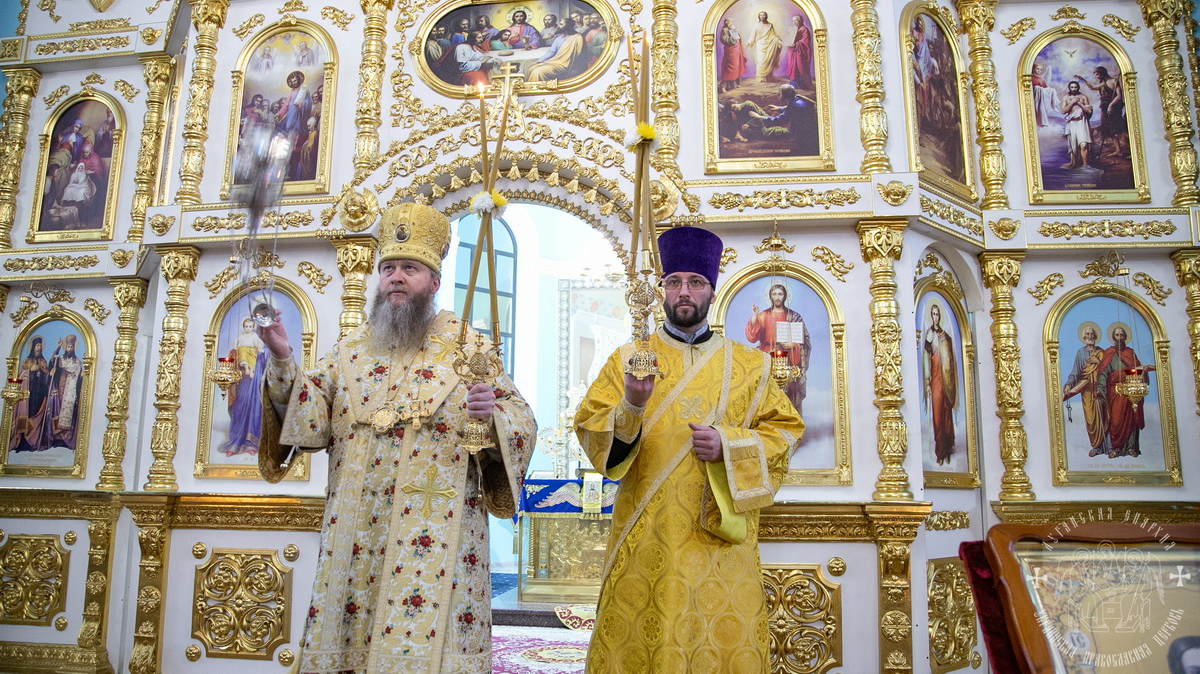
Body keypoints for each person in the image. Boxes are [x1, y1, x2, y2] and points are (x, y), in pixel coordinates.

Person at [256, 202, 537, 672]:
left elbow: (521, 419)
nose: (396, 278)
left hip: (437, 530)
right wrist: (283, 358)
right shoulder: (350, 348)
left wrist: (490, 418)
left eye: (410, 268)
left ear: (434, 282)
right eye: (388, 268)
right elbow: (312, 418)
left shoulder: (468, 346)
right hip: (355, 532)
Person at [575, 226, 804, 672]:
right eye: (674, 281)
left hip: (721, 536)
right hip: (648, 533)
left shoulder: (752, 365)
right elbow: (591, 430)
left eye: (696, 282)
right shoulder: (627, 360)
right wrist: (631, 405)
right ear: (662, 289)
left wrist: (730, 445)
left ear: (712, 291)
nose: (684, 292)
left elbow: (786, 432)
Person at [745, 283, 810, 416]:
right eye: (774, 294)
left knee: (787, 395)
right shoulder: (763, 315)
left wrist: (794, 345)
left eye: (780, 294)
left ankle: (788, 422)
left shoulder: (794, 316)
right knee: (766, 395)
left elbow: (805, 341)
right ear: (770, 296)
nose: (777, 297)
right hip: (767, 358)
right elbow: (752, 337)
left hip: (788, 361)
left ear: (785, 296)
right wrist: (755, 317)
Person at [220, 318, 268, 456]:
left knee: (254, 406)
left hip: (255, 379)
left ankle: (251, 443)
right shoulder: (241, 338)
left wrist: (259, 352)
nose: (248, 328)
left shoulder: (260, 339)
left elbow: (268, 355)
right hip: (242, 379)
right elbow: (235, 351)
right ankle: (236, 441)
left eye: (250, 326)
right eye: (246, 326)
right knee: (240, 404)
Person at [1096, 324, 1145, 458]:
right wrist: (1100, 388)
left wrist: (1139, 373)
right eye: (1117, 335)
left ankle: (1131, 447)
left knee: (1131, 420)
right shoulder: (1109, 353)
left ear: (1125, 337)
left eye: (1121, 335)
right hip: (1115, 392)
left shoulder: (1130, 353)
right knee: (1116, 420)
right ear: (1113, 337)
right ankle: (1115, 448)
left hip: (1130, 391)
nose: (1119, 338)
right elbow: (1103, 373)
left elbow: (1139, 370)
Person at [1062, 321, 1109, 457]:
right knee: (1091, 420)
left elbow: (1108, 370)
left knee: (1104, 416)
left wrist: (1098, 362)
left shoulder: (1102, 352)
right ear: (1084, 337)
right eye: (1087, 334)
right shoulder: (1080, 353)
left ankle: (1107, 447)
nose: (1090, 336)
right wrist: (1069, 384)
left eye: (1092, 334)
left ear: (1095, 336)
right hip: (1087, 391)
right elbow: (1075, 372)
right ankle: (1096, 446)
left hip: (1100, 389)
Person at [921, 303, 957, 465]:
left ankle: (947, 449)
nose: (935, 317)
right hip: (935, 380)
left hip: (945, 381)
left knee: (946, 413)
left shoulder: (945, 336)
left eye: (937, 314)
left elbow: (949, 360)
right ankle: (940, 450)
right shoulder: (930, 334)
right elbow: (926, 357)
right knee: (937, 415)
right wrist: (927, 379)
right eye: (933, 314)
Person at [9, 336, 50, 453]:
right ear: (33, 347)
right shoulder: (27, 361)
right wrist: (30, 370)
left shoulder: (43, 362)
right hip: (28, 396)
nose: (39, 348)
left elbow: (46, 378)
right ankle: (23, 441)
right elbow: (20, 375)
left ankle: (34, 441)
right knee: (26, 415)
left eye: (40, 346)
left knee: (36, 415)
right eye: (37, 346)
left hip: (39, 395)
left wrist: (47, 373)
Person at [1076, 66, 1127, 158]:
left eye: (1097, 74)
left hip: (1114, 107)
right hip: (1104, 107)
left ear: (1102, 73)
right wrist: (1083, 80)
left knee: (1116, 129)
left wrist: (1111, 106)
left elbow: (1119, 96)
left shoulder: (1113, 81)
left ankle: (1127, 148)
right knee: (1110, 130)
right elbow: (1092, 87)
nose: (1097, 76)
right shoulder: (1103, 83)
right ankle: (1118, 150)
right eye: (1096, 75)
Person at [43, 334, 83, 450]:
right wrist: (58, 348)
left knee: (66, 412)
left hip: (69, 390)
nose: (69, 349)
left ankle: (64, 439)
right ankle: (55, 437)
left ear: (74, 348)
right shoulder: (60, 359)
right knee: (57, 409)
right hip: (59, 389)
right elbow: (52, 362)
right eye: (68, 347)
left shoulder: (77, 362)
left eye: (71, 347)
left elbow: (77, 376)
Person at [1060, 80, 1093, 169]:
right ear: (1069, 88)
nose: (1074, 89)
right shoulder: (1066, 97)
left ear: (1078, 87)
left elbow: (1089, 111)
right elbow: (1063, 111)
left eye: (1075, 87)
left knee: (1084, 144)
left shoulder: (1083, 97)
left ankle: (1085, 166)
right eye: (1072, 87)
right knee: (1074, 147)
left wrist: (1078, 102)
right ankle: (1076, 163)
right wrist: (1072, 102)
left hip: (1082, 122)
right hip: (1071, 123)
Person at [745, 11, 782, 83]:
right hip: (759, 45)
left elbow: (773, 35)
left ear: (766, 16)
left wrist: (778, 40)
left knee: (768, 61)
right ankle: (760, 78)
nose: (762, 17)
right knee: (760, 61)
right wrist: (749, 42)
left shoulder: (770, 25)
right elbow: (752, 36)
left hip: (768, 44)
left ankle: (768, 78)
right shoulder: (756, 25)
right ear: (759, 16)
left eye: (763, 15)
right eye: (761, 15)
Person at [783, 15, 812, 91]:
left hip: (800, 53)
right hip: (793, 52)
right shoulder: (792, 29)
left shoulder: (804, 29)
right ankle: (794, 84)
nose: (794, 22)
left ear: (800, 21)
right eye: (793, 20)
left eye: (796, 20)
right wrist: (788, 42)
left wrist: (796, 44)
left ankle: (802, 85)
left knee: (800, 67)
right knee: (793, 67)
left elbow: (805, 42)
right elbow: (789, 39)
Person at [718, 18, 746, 92]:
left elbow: (737, 37)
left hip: (736, 50)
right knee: (729, 68)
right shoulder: (724, 30)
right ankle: (723, 86)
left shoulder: (732, 29)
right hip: (730, 51)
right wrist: (733, 38)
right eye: (730, 22)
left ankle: (735, 84)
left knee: (736, 67)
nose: (731, 23)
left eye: (732, 22)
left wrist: (737, 34)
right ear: (726, 22)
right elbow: (724, 40)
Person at [1031, 63, 1060, 127]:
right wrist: (1038, 89)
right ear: (1033, 69)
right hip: (1036, 99)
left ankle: (1054, 105)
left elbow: (1046, 88)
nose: (1039, 71)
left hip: (1042, 98)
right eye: (1037, 69)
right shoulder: (1031, 78)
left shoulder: (1041, 79)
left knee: (1052, 90)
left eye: (1040, 69)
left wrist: (1051, 91)